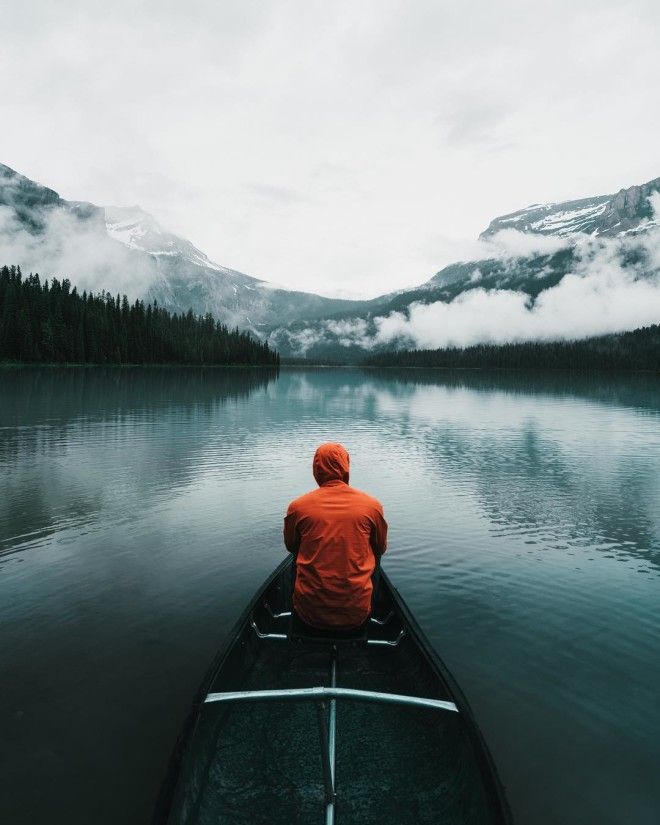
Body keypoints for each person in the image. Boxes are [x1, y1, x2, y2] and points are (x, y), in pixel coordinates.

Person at [283, 442, 388, 630]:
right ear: (346, 467)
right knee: (375, 553)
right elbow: (381, 548)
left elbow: (291, 546)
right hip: (358, 613)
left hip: (308, 613)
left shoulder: (298, 507)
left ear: (316, 469)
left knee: (296, 555)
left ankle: (296, 608)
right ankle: (371, 605)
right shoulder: (372, 506)